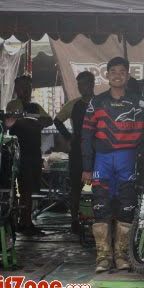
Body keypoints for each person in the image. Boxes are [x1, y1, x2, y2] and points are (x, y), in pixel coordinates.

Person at [81, 57, 144, 273]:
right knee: (101, 208)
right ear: (107, 75)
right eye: (113, 71)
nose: (117, 75)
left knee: (127, 207)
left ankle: (122, 256)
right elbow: (86, 136)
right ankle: (103, 257)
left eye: (122, 72)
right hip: (102, 161)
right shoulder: (96, 102)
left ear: (128, 76)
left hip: (128, 160)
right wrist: (87, 167)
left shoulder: (140, 101)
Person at [6, 76, 53, 235]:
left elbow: (48, 120)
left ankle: (26, 221)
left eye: (28, 87)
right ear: (16, 89)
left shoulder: (35, 106)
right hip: (20, 151)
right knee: (24, 188)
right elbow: (18, 122)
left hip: (34, 151)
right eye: (22, 87)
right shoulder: (14, 104)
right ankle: (23, 222)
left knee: (30, 189)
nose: (25, 90)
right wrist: (35, 123)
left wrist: (33, 122)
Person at [53, 71, 95, 234]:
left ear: (92, 84)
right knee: (76, 186)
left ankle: (99, 219)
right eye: (79, 85)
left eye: (84, 84)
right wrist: (69, 137)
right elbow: (57, 121)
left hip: (98, 149)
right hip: (78, 149)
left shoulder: (100, 102)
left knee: (98, 186)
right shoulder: (74, 104)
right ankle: (74, 220)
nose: (81, 87)